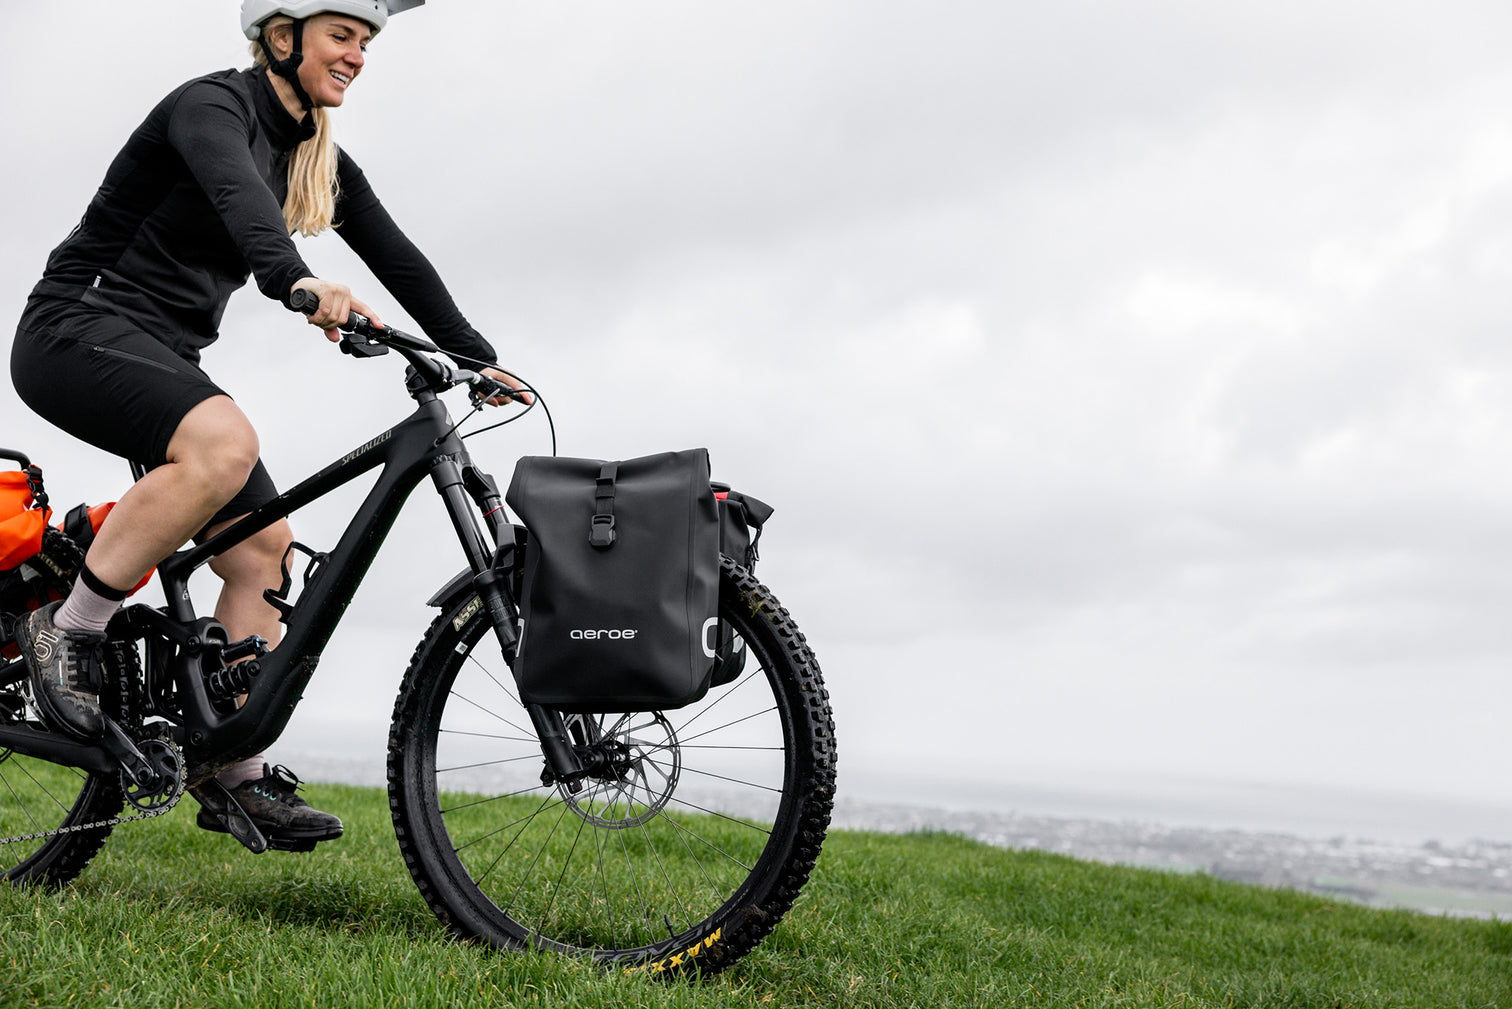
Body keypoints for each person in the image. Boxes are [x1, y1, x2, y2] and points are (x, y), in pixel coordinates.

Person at [7, 0, 528, 849]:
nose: (357, 54)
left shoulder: (318, 157)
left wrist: (475, 355)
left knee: (261, 548)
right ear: (282, 37)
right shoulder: (211, 107)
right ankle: (67, 629)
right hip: (75, 327)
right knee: (224, 443)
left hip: (162, 354)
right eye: (342, 35)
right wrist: (298, 280)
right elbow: (238, 199)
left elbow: (395, 254)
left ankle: (232, 768)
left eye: (365, 41)